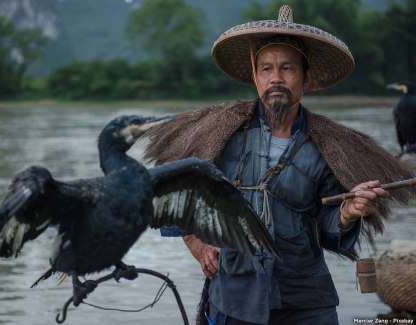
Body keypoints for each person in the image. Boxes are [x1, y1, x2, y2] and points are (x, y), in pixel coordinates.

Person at [144, 5, 415, 325]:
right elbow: (172, 194)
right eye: (266, 68)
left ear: (306, 76)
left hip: (306, 302)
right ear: (255, 76)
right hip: (235, 300)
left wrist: (348, 212)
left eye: (287, 68)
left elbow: (328, 231)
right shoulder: (218, 134)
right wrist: (197, 243)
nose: (276, 78)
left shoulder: (330, 146)